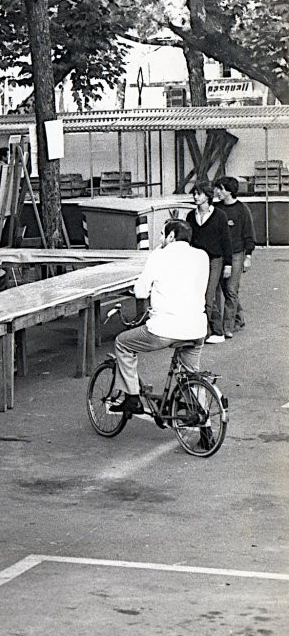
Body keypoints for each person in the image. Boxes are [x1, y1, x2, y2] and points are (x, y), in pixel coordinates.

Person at [108, 219, 209, 445]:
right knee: (192, 375)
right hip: (196, 328)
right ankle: (207, 430)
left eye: (163, 234)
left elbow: (141, 291)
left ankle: (132, 397)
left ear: (171, 236)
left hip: (165, 328)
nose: (160, 239)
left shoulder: (159, 255)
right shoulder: (202, 256)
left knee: (123, 343)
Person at [186, 181, 232, 344]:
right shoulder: (191, 216)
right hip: (197, 260)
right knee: (201, 295)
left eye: (198, 193)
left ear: (208, 196)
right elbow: (188, 240)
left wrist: (228, 264)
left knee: (209, 294)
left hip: (215, 260)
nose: (195, 196)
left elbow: (226, 241)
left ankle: (211, 332)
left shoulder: (219, 216)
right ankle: (211, 331)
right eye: (194, 194)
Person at [213, 176, 255, 337]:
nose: (217, 191)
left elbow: (249, 235)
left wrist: (248, 256)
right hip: (219, 255)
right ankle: (239, 317)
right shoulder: (216, 208)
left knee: (230, 289)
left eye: (220, 189)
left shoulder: (242, 210)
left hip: (236, 254)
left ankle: (227, 327)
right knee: (224, 288)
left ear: (229, 191)